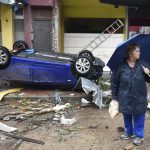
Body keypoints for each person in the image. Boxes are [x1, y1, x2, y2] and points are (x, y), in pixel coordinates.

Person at [110, 43, 150, 146]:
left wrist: (148, 74)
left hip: (139, 96)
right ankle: (129, 132)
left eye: (139, 51)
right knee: (127, 114)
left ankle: (139, 136)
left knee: (139, 115)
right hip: (125, 96)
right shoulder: (121, 67)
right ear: (130, 52)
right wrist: (115, 97)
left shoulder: (143, 65)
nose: (139, 53)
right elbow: (114, 82)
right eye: (137, 51)